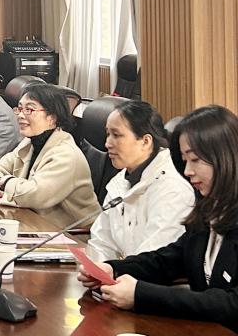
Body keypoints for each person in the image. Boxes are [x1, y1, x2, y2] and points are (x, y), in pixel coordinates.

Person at [80, 105, 238, 331]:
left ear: (225, 157)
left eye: (195, 160)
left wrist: (141, 295)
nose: (187, 171)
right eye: (184, 161)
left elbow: (232, 303)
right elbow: (169, 259)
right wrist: (113, 269)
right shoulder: (209, 209)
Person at [86, 100, 195, 262]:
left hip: (146, 275)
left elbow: (154, 256)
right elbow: (101, 242)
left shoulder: (172, 188)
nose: (107, 143)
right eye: (108, 134)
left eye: (116, 135)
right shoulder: (120, 181)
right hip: (118, 273)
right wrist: (98, 269)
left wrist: (115, 270)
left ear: (145, 141)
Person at [0, 84, 99, 222]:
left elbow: (35, 195)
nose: (20, 115)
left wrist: (6, 183)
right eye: (20, 109)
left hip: (71, 231)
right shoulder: (30, 142)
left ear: (52, 117)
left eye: (29, 110)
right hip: (35, 221)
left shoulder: (66, 154)